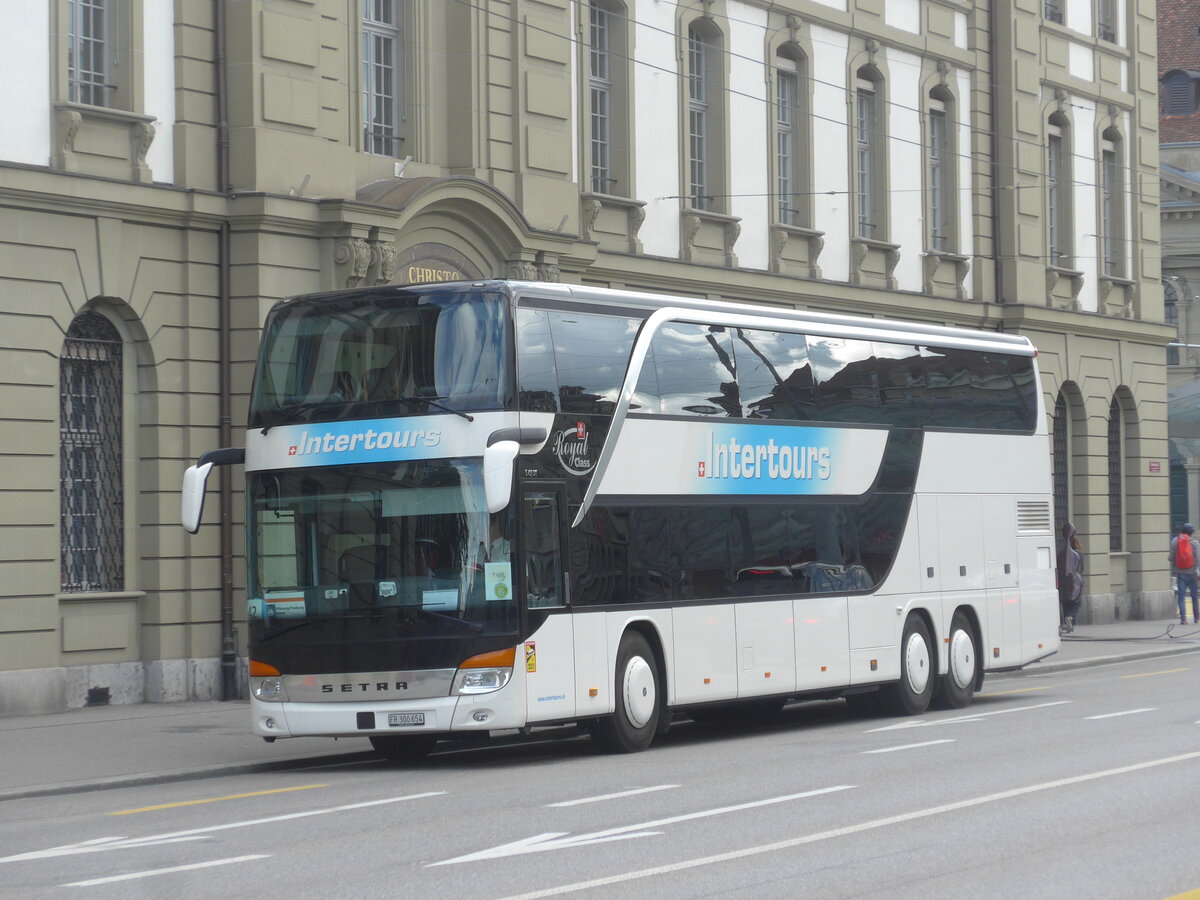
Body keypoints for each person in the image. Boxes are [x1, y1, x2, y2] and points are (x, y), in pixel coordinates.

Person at [1169, 523, 1200, 625]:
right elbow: (1198, 559)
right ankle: (1196, 618)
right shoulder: (1195, 543)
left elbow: (1171, 557)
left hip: (1180, 573)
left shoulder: (1175, 542)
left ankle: (1183, 619)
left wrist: (1176, 564)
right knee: (1194, 596)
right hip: (1192, 573)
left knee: (1181, 597)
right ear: (1191, 532)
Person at [1057, 522, 1084, 634]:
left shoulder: (1061, 553)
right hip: (1075, 582)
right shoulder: (1079, 553)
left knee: (1065, 602)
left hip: (1063, 581)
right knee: (1076, 602)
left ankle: (1065, 621)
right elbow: (1081, 568)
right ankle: (1071, 619)